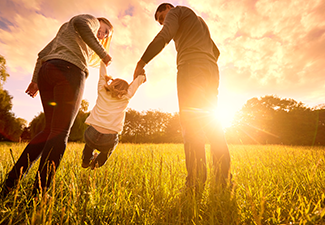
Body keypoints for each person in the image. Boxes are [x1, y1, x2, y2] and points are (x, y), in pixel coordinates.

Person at [1, 14, 113, 197]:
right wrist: (103, 53)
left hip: (48, 71)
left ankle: (10, 183)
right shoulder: (90, 20)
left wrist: (35, 80)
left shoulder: (66, 32)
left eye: (106, 35)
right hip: (70, 72)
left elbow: (42, 55)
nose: (103, 34)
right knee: (60, 132)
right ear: (99, 22)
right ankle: (40, 192)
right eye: (104, 30)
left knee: (49, 131)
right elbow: (80, 22)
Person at [133, 3, 231, 190]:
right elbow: (216, 51)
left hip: (191, 67)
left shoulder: (177, 12)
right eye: (161, 21)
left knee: (192, 125)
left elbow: (165, 35)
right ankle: (223, 181)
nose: (163, 23)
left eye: (162, 18)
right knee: (213, 125)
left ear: (169, 8)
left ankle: (195, 184)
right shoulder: (199, 21)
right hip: (211, 70)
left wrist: (142, 61)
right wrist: (204, 61)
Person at [81, 62, 145, 169]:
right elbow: (136, 83)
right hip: (109, 138)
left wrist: (103, 62)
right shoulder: (126, 96)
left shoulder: (102, 90)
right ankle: (96, 164)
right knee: (107, 151)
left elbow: (102, 75)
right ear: (126, 90)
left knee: (89, 144)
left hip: (91, 133)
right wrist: (142, 74)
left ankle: (86, 161)